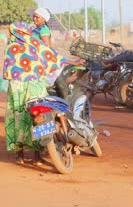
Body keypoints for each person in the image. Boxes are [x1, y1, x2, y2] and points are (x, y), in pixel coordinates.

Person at [3, 21, 81, 165]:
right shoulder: (35, 44)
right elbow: (53, 57)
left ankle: (19, 156)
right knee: (39, 117)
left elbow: (7, 73)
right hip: (35, 85)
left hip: (17, 88)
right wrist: (72, 61)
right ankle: (36, 157)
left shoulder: (11, 48)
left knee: (18, 118)